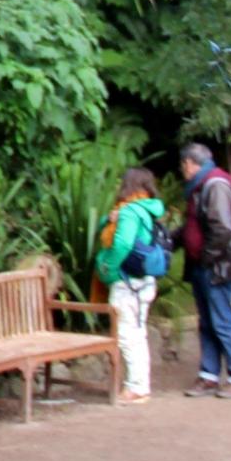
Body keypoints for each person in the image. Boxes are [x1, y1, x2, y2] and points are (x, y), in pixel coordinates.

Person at [91, 167, 171, 404]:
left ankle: (136, 387)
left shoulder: (128, 213)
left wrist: (108, 269)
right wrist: (109, 218)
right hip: (144, 281)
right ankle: (139, 384)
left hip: (128, 284)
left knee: (127, 334)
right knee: (138, 332)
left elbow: (123, 244)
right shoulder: (145, 209)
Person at [178, 141, 231, 398]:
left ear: (189, 163)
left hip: (216, 266)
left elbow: (223, 229)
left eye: (182, 165)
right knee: (207, 321)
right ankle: (209, 375)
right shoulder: (200, 186)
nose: (182, 171)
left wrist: (206, 257)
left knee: (222, 320)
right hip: (203, 264)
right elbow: (192, 226)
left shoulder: (215, 185)